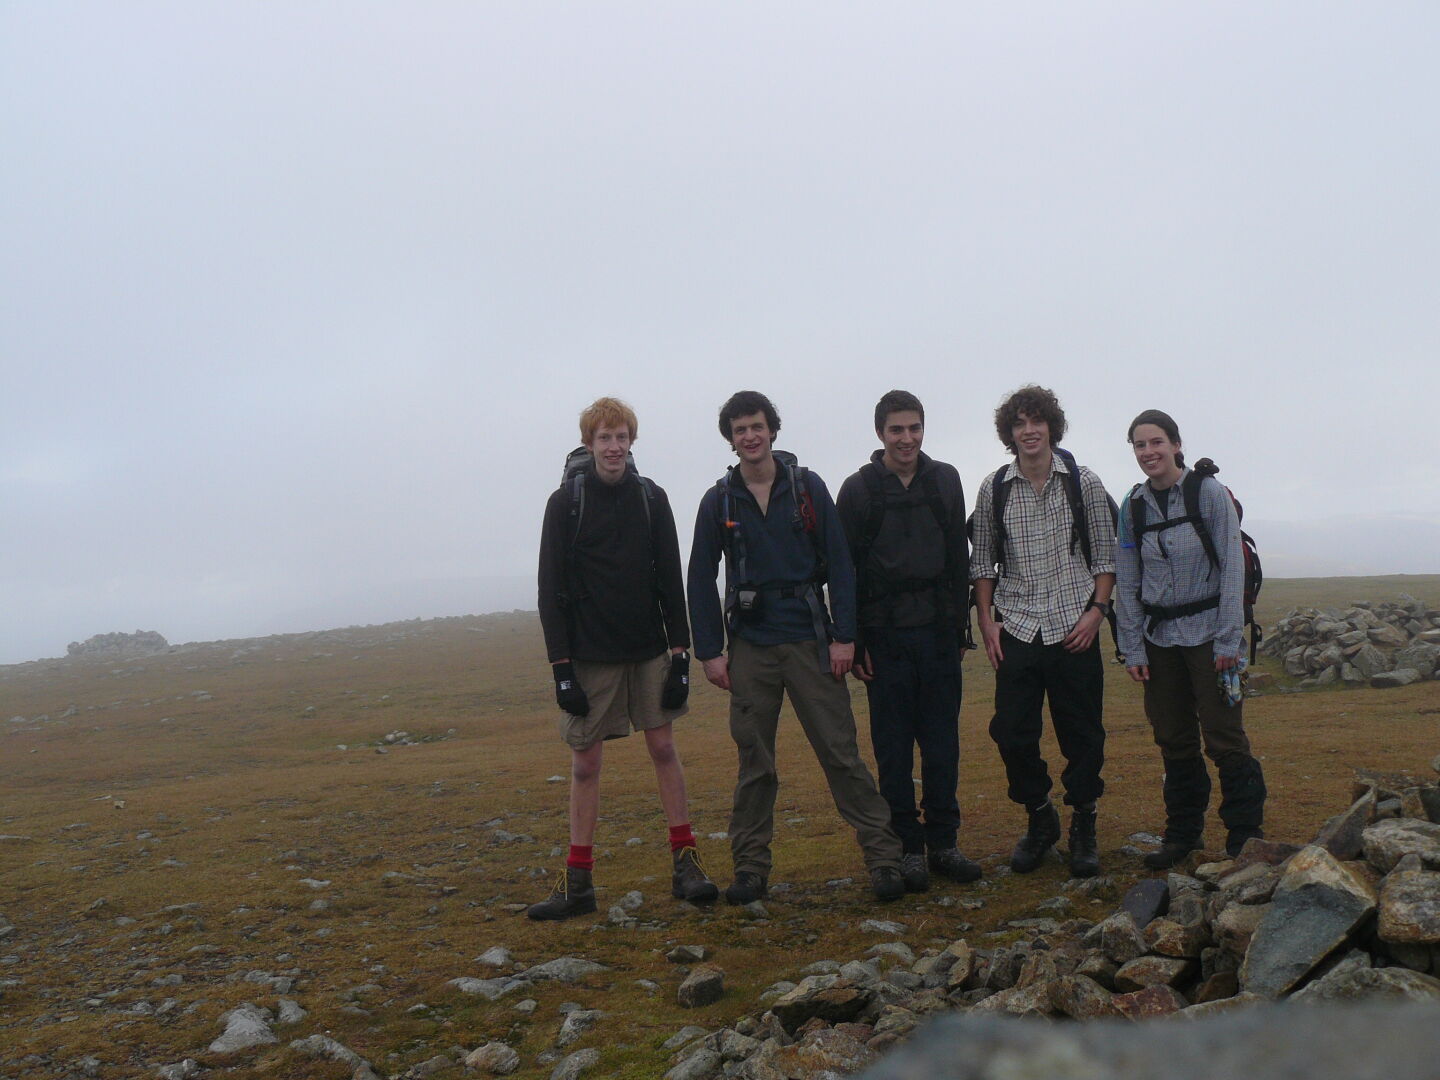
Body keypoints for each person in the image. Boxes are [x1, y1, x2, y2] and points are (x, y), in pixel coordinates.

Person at [688, 390, 906, 904]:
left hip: (810, 640)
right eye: (740, 429)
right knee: (754, 761)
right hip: (750, 647)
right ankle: (750, 870)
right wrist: (709, 651)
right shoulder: (719, 500)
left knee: (840, 753)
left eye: (757, 426)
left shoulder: (807, 488)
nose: (750, 436)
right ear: (731, 437)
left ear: (772, 430)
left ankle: (884, 860)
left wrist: (844, 637)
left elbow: (840, 563)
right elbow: (700, 576)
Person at [530, 397, 716, 919]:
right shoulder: (564, 503)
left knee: (663, 746)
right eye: (604, 438)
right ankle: (578, 882)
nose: (613, 447)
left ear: (632, 442)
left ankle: (686, 863)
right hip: (590, 653)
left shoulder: (651, 498)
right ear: (589, 445)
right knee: (586, 762)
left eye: (621, 437)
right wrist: (560, 668)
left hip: (648, 649)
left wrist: (681, 654)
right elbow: (551, 588)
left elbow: (668, 579)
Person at [836, 390, 982, 892]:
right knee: (893, 749)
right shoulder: (857, 491)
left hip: (939, 636)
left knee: (942, 744)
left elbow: (957, 559)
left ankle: (944, 842)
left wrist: (960, 629)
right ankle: (907, 847)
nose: (907, 438)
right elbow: (845, 570)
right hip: (884, 641)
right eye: (897, 429)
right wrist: (852, 641)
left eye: (914, 428)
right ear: (880, 433)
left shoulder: (945, 480)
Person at [969, 385, 1115, 878]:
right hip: (1019, 626)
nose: (1029, 431)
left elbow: (1105, 555)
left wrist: (1097, 612)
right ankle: (1040, 816)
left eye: (1037, 421)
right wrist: (986, 620)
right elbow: (982, 560)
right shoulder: (995, 487)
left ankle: (1084, 823)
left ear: (1052, 426)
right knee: (1010, 732)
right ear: (1009, 433)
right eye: (1019, 424)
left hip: (1075, 625)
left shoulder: (1084, 482)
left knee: (1082, 734)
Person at [1115, 409, 1266, 868]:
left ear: (1176, 444)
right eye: (1140, 445)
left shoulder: (1208, 493)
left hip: (1209, 636)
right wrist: (1132, 647)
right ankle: (1182, 834)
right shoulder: (1133, 507)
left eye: (1156, 442)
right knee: (1173, 738)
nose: (1148, 453)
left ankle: (1245, 834)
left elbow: (1232, 568)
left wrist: (1227, 641)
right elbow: (1127, 578)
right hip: (1159, 641)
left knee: (1224, 736)